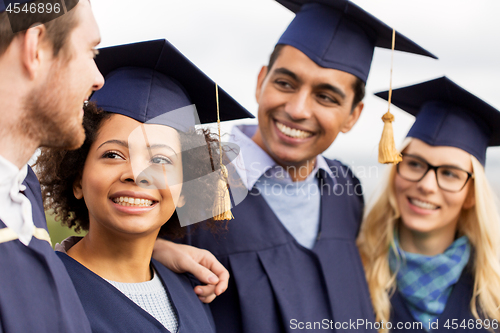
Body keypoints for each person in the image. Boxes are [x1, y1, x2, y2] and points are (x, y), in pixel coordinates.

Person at [154, 1, 436, 332]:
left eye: (326, 97)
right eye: (285, 84)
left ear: (353, 116)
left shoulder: (345, 188)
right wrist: (154, 251)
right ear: (261, 82)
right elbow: (99, 255)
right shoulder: (195, 171)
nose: (298, 109)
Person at [0, 1, 235, 330]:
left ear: (187, 188)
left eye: (160, 159)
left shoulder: (192, 291)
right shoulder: (44, 284)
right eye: (113, 154)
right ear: (77, 177)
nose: (136, 173)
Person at [357, 77, 500, 332]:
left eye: (449, 173)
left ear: (471, 194)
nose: (427, 185)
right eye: (414, 164)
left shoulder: (494, 294)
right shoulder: (352, 271)